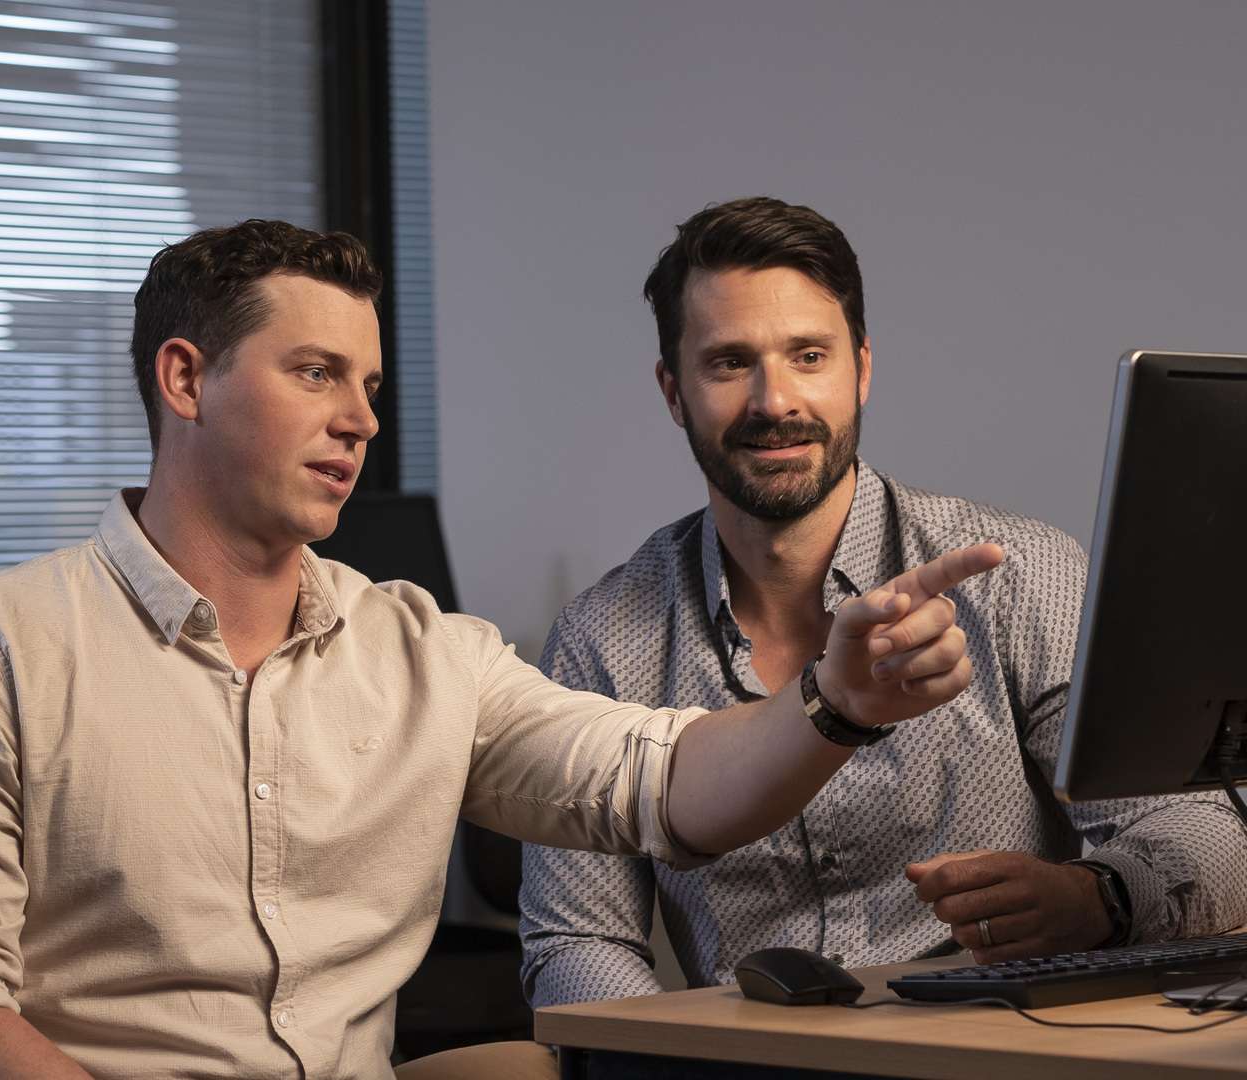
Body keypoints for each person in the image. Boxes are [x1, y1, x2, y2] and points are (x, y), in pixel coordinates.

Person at [0, 218, 998, 1080]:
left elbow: (666, 783)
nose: (361, 418)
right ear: (185, 377)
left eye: (371, 385)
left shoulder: (424, 652)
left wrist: (834, 704)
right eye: (315, 374)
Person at [518, 197, 1247, 1011]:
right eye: (729, 363)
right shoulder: (601, 636)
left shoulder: (1020, 575)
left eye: (808, 356)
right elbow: (575, 940)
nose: (774, 401)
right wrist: (669, 1058)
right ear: (673, 390)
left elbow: (1215, 836)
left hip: (988, 1051)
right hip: (744, 1066)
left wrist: (1098, 898)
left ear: (860, 368)